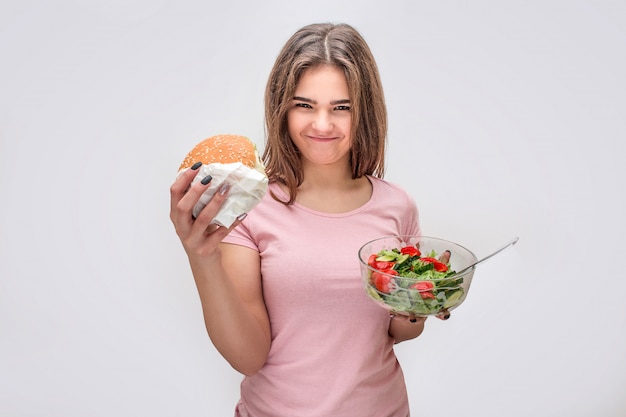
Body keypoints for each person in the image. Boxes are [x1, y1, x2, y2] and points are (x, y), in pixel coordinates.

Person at [170, 22, 436, 417]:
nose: (323, 125)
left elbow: (398, 331)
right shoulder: (250, 205)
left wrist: (414, 305)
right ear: (282, 108)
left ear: (365, 111)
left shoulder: (398, 206)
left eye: (341, 107)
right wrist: (201, 258)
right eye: (304, 105)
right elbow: (248, 357)